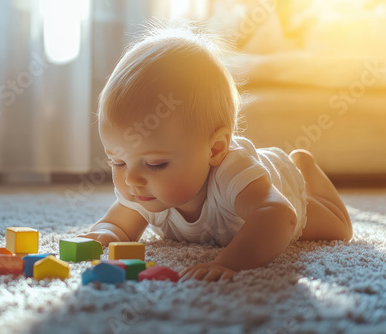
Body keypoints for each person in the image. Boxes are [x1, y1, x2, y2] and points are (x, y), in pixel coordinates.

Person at [79, 23, 353, 282]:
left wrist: (228, 262)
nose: (131, 179)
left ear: (215, 149)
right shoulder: (143, 189)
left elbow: (280, 215)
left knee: (339, 230)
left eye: (155, 163)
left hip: (282, 183)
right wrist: (103, 234)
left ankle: (303, 165)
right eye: (118, 161)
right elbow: (119, 227)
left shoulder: (232, 172)